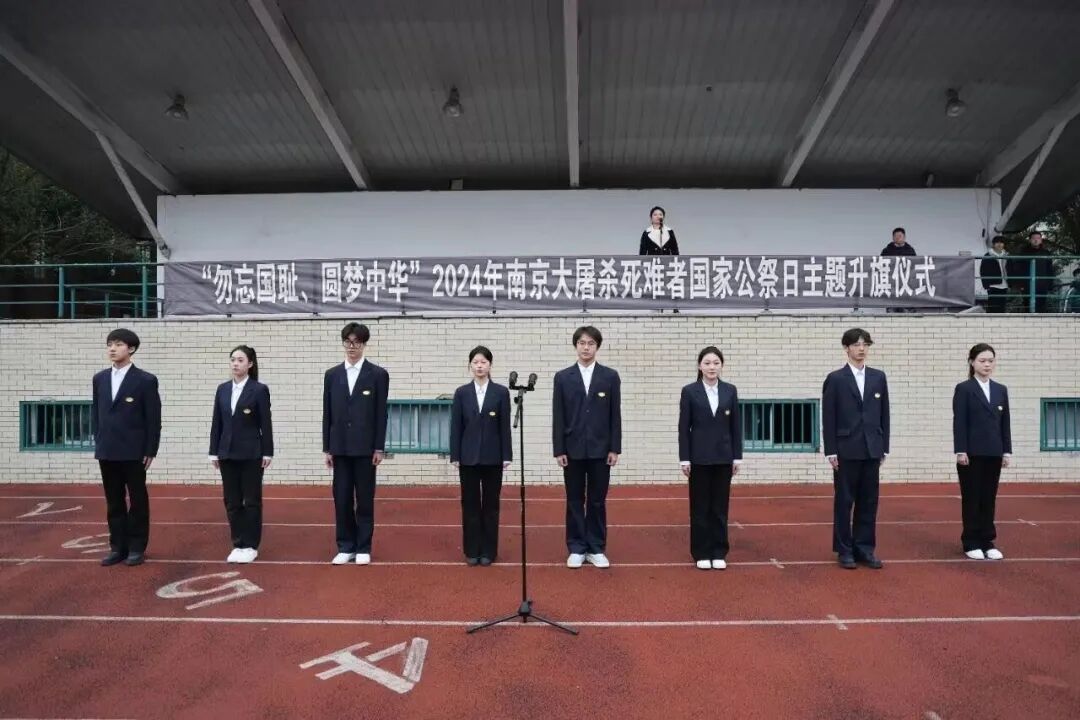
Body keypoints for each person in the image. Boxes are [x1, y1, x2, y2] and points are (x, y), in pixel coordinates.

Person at [552, 326, 622, 569]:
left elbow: (615, 415)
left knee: (597, 500)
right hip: (572, 449)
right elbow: (558, 415)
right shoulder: (563, 377)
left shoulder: (610, 376)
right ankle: (576, 547)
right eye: (582, 343)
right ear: (576, 346)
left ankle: (596, 547)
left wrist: (615, 448)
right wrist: (559, 449)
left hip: (601, 449)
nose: (586, 347)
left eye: (591, 343)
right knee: (574, 499)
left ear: (597, 347)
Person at [91, 328, 161, 567]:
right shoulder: (100, 378)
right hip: (107, 449)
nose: (112, 348)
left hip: (134, 451)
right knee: (114, 501)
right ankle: (117, 547)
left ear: (131, 349)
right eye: (110, 344)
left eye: (118, 344)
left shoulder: (145, 380)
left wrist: (150, 449)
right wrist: (99, 439)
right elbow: (96, 412)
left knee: (137, 500)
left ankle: (136, 547)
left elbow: (153, 418)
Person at [822, 328, 889, 570]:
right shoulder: (836, 379)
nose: (861, 349)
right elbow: (828, 416)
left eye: (865, 344)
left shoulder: (878, 377)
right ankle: (844, 550)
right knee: (844, 501)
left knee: (869, 502)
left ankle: (865, 548)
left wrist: (884, 447)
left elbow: (884, 414)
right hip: (845, 449)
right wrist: (831, 450)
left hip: (872, 448)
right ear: (846, 348)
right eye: (857, 344)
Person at [323, 322, 389, 566]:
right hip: (339, 447)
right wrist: (327, 447)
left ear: (364, 344)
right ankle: (345, 546)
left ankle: (363, 546)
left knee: (364, 498)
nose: (352, 347)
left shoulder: (378, 375)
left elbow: (381, 414)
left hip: (365, 449)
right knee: (341, 498)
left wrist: (379, 447)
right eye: (348, 342)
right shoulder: (332, 375)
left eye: (357, 342)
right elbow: (327, 413)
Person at [678, 346, 743, 570]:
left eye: (716, 363)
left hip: (724, 457)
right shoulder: (689, 391)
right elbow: (683, 428)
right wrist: (684, 458)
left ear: (721, 365)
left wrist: (737, 457)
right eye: (707, 363)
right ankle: (701, 552)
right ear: (699, 366)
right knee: (700, 507)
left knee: (719, 508)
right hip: (699, 458)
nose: (711, 367)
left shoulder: (730, 391)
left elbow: (736, 426)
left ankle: (719, 551)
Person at [209, 345, 273, 564]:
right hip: (226, 453)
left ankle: (251, 545)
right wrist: (213, 452)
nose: (235, 364)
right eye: (233, 360)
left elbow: (265, 423)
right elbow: (217, 422)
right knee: (232, 501)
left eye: (240, 360)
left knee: (251, 500)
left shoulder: (259, 390)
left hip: (252, 453)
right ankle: (238, 543)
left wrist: (267, 452)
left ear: (250, 364)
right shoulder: (222, 389)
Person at [449, 346, 512, 566]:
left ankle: (488, 551)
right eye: (475, 362)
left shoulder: (501, 392)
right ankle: (472, 550)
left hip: (493, 457)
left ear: (490, 365)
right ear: (470, 365)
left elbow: (505, 426)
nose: (479, 366)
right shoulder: (462, 393)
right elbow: (456, 426)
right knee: (470, 505)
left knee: (491, 505)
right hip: (468, 458)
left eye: (483, 362)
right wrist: (455, 454)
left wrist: (506, 455)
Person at [952, 344, 1012, 560]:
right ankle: (970, 541)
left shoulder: (1000, 389)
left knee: (989, 497)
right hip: (971, 454)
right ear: (972, 362)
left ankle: (987, 540)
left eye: (991, 361)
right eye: (982, 361)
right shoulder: (964, 389)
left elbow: (1005, 423)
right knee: (972, 497)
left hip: (994, 452)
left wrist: (1006, 451)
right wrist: (961, 450)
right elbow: (960, 421)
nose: (987, 365)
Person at [1010, 231, 1055, 313]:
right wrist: (1020, 284)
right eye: (1034, 238)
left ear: (1041, 240)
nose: (1036, 240)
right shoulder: (1023, 253)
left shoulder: (1046, 253)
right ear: (1030, 240)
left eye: (1038, 238)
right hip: (1027, 285)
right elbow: (1018, 269)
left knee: (1041, 306)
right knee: (1028, 306)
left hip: (1042, 285)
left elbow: (1050, 269)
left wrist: (1050, 284)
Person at [979, 236, 1010, 313]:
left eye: (1001, 242)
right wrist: (986, 285)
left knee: (1002, 307)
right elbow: (983, 271)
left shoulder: (1007, 255)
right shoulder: (988, 255)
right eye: (997, 242)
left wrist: (1011, 282)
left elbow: (1011, 269)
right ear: (993, 244)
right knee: (993, 307)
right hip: (993, 285)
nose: (999, 244)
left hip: (1005, 284)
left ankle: (1001, 320)